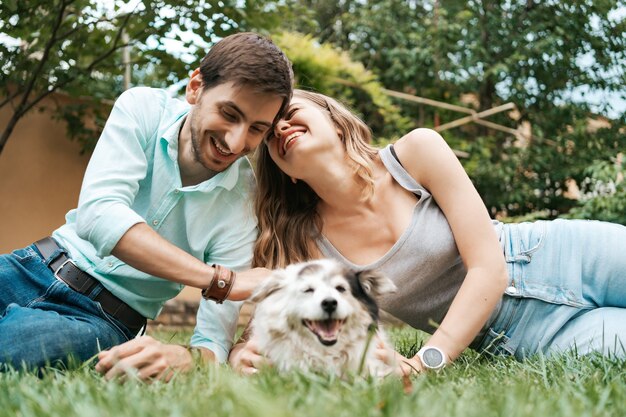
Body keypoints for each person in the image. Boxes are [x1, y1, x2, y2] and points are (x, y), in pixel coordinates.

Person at [229, 89, 626, 375]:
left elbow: (489, 268)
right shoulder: (309, 246)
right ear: (286, 174)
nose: (280, 128)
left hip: (568, 254)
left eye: (291, 111)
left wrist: (425, 362)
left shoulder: (416, 153)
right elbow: (270, 319)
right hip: (524, 337)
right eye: (269, 135)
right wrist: (242, 354)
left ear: (334, 119)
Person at [0, 32, 293, 379]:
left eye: (257, 129)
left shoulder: (244, 201)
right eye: (229, 114)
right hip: (31, 266)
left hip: (101, 321)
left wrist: (189, 356)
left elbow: (213, 339)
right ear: (196, 87)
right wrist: (221, 281)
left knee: (12, 349)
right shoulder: (144, 108)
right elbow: (99, 214)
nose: (235, 141)